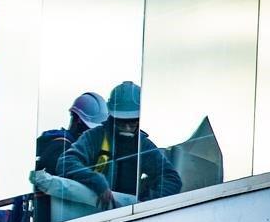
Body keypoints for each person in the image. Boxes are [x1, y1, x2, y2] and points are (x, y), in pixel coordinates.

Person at [58, 81, 181, 209]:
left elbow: (171, 178)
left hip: (128, 217)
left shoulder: (143, 145)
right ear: (112, 116)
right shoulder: (94, 137)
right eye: (122, 122)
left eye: (132, 122)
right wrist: (96, 181)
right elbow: (66, 162)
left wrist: (147, 203)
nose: (127, 128)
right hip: (89, 213)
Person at [33, 92, 108, 222]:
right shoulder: (60, 146)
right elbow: (66, 176)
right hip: (51, 219)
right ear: (77, 120)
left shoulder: (76, 149)